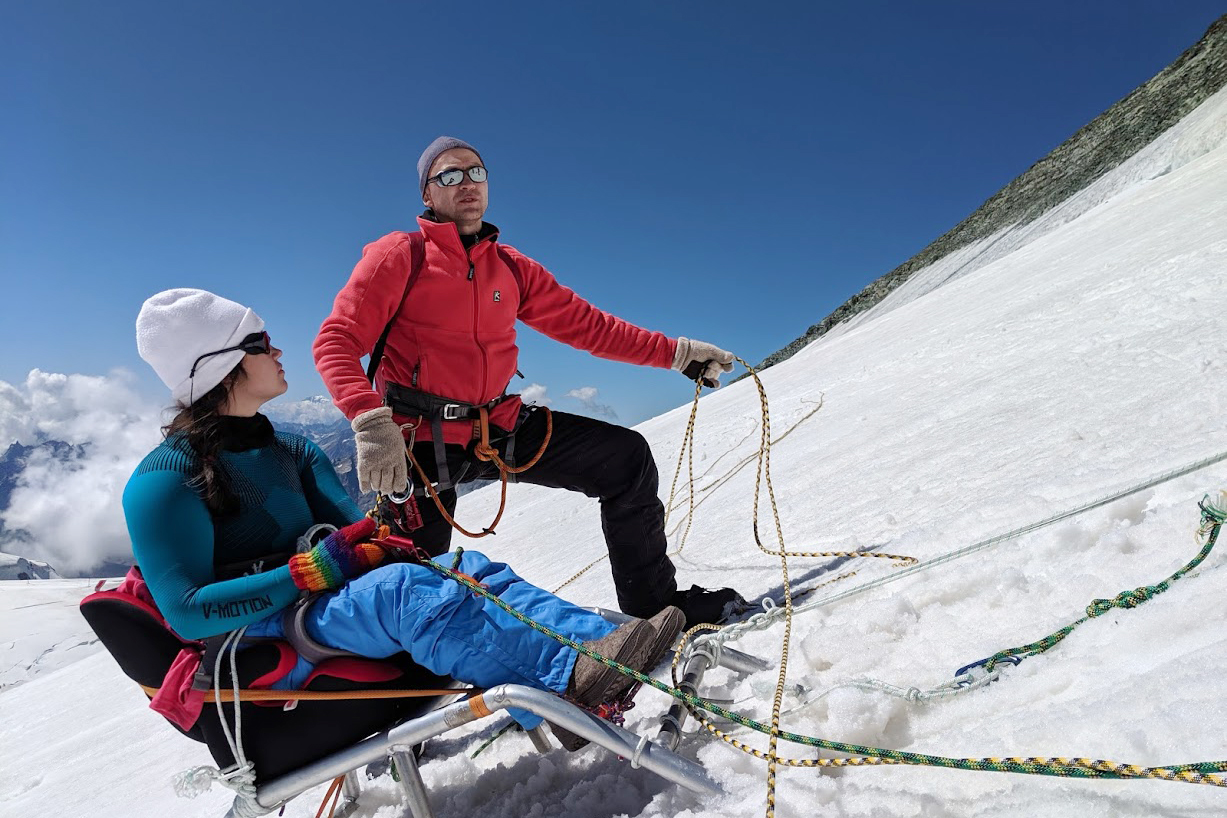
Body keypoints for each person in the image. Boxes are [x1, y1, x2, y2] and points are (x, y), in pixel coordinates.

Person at [123, 288, 684, 751]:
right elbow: (189, 614)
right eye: (260, 343)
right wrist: (309, 574)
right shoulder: (165, 481)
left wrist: (381, 535)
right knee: (405, 593)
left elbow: (355, 538)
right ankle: (567, 683)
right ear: (220, 364)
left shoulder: (291, 450)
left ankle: (606, 646)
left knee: (464, 566)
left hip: (319, 610)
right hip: (259, 639)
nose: (278, 352)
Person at [313, 136, 744, 629]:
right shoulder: (400, 256)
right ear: (428, 195)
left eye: (476, 172)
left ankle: (655, 609)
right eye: (448, 176)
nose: (467, 184)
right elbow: (337, 339)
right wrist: (370, 421)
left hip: (500, 425)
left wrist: (677, 355)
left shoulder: (512, 268)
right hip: (418, 443)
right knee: (409, 585)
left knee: (626, 459)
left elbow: (591, 328)